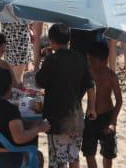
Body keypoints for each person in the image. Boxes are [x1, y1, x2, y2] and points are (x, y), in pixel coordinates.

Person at [38, 23, 93, 168]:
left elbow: (39, 81)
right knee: (74, 158)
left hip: (58, 119)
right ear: (68, 40)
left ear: (51, 41)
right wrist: (91, 108)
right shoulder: (80, 59)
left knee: (58, 161)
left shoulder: (52, 60)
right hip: (76, 118)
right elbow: (90, 85)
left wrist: (46, 59)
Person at [0, 65, 49, 168]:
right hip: (8, 157)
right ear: (9, 87)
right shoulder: (10, 110)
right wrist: (38, 129)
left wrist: (32, 125)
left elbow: (6, 123)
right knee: (38, 157)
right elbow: (19, 138)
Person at [82, 41, 122, 168]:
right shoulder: (87, 73)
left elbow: (119, 100)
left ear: (104, 61)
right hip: (90, 117)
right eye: (89, 60)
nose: (90, 64)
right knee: (89, 152)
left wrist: (112, 121)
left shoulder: (111, 76)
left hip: (107, 117)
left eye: (93, 61)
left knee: (108, 153)